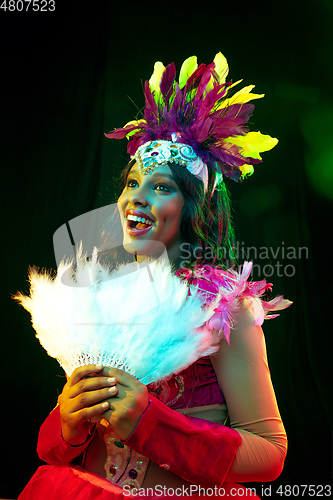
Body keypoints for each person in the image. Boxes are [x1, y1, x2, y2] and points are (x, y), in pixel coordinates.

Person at [17, 52, 291, 500]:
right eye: (131, 183)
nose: (135, 200)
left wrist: (153, 425)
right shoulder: (106, 296)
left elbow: (271, 455)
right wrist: (68, 423)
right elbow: (55, 452)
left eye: (161, 188)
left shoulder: (225, 310)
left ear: (194, 208)